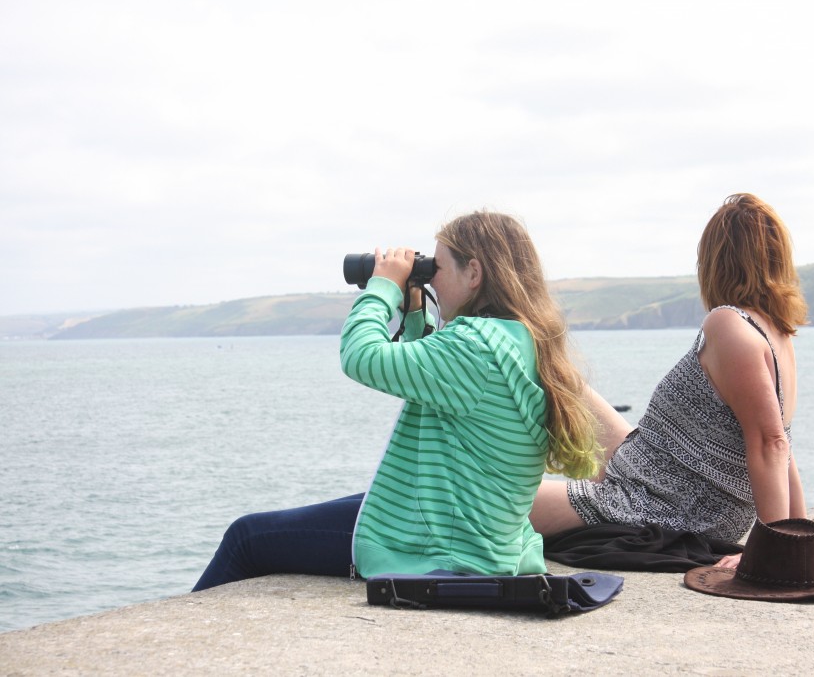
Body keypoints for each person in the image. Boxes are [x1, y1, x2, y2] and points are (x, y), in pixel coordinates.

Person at [193, 211, 600, 591]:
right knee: (360, 503)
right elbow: (434, 383)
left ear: (474, 273)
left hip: (442, 544)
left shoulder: (474, 346)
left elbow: (360, 357)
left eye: (437, 268)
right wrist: (417, 313)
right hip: (482, 535)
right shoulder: (519, 340)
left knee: (246, 537)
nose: (431, 280)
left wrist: (384, 287)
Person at [530, 193, 814, 568]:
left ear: (714, 262)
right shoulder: (776, 334)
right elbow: (781, 442)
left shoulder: (728, 324)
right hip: (653, 476)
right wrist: (802, 529)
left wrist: (777, 547)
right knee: (559, 377)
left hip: (657, 506)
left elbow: (772, 442)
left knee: (487, 501)